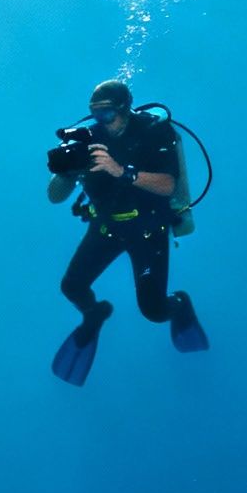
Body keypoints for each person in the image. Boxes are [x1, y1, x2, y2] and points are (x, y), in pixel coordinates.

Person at [47, 79, 208, 386]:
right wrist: (65, 172)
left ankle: (179, 304)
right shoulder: (88, 138)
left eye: (107, 114)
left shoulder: (153, 132)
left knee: (154, 310)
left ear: (124, 109)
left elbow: (169, 185)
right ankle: (95, 314)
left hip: (148, 229)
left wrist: (121, 170)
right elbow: (54, 197)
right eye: (95, 114)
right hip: (107, 226)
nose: (102, 122)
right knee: (72, 287)